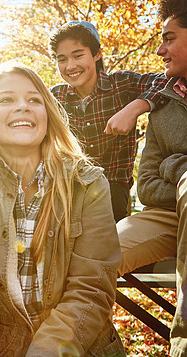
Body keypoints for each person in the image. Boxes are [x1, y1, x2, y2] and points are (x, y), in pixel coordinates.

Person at [0, 62, 124, 356]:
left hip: (79, 348)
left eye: (34, 100)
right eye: (6, 99)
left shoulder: (87, 184)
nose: (22, 106)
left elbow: (90, 289)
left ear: (47, 117)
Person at [116, 1, 187, 355]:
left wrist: (175, 167)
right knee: (91, 255)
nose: (160, 49)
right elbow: (146, 185)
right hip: (168, 214)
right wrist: (181, 172)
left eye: (169, 38)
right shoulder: (163, 105)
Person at [49, 21, 168, 222]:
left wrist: (134, 108)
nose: (70, 66)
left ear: (97, 54)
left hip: (113, 192)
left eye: (78, 55)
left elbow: (169, 81)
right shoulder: (55, 96)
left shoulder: (121, 84)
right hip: (67, 189)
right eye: (62, 59)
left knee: (111, 249)